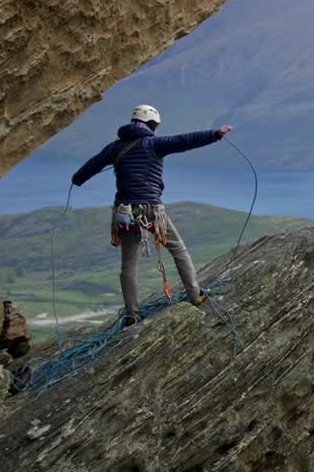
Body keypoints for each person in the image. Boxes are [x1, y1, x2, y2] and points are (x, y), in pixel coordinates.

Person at [71, 104, 233, 326]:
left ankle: (132, 313)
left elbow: (92, 166)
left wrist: (77, 180)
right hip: (150, 208)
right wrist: (215, 135)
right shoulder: (154, 144)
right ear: (152, 125)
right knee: (178, 249)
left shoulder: (114, 148)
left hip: (124, 211)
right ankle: (195, 295)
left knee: (128, 263)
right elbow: (184, 141)